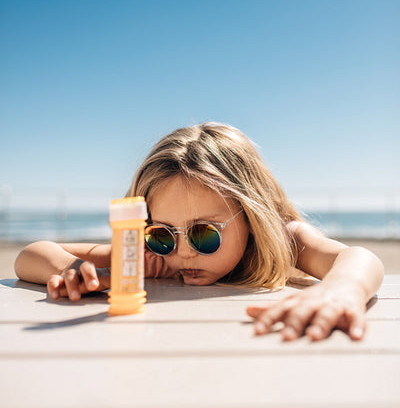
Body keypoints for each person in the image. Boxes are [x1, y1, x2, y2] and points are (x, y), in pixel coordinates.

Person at [15, 122, 384, 342]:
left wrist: (343, 288)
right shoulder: (151, 257)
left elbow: (360, 258)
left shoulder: (286, 239)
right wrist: (75, 269)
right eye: (162, 233)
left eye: (204, 233)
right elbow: (30, 254)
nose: (182, 253)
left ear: (251, 217)